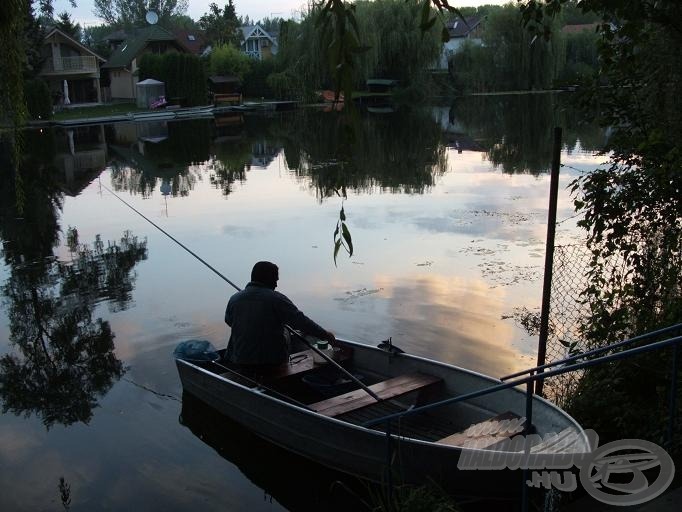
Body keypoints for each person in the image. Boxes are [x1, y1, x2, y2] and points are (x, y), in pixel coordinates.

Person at [224, 261, 336, 369]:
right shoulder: (277, 299)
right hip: (270, 362)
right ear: (267, 279)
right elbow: (301, 321)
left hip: (238, 359)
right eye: (275, 280)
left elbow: (229, 321)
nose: (276, 284)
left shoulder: (234, 298)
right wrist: (325, 335)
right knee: (286, 330)